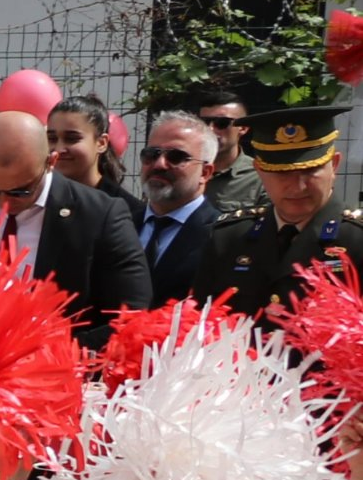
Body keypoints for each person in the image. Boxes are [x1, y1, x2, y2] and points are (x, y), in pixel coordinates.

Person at [0, 110, 149, 350]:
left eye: (20, 192)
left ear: (50, 161)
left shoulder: (99, 215)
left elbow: (132, 314)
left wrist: (52, 354)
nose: (3, 203)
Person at [192, 104, 359, 318]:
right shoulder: (229, 237)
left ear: (334, 165)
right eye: (281, 174)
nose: (297, 186)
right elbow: (200, 322)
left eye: (310, 171)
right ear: (259, 171)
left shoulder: (356, 240)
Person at [133, 112, 221, 305]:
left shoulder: (222, 236)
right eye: (151, 154)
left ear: (205, 172)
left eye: (177, 157)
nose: (159, 164)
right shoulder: (121, 224)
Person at [49, 95, 139, 231]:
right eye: (52, 138)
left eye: (72, 138)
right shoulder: (34, 200)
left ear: (101, 143)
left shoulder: (129, 211)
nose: (59, 149)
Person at [189, 79, 268, 219]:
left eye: (222, 123)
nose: (210, 129)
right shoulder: (183, 169)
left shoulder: (261, 178)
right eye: (204, 122)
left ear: (243, 128)